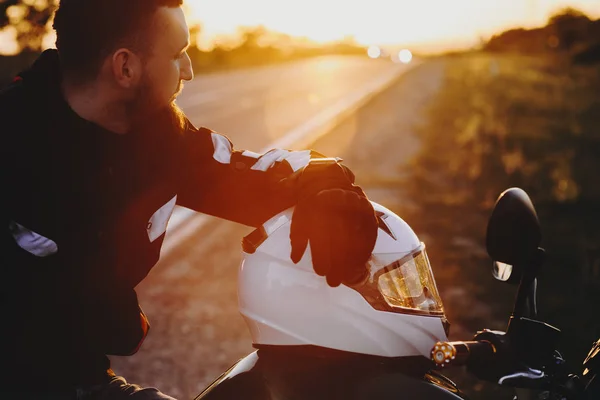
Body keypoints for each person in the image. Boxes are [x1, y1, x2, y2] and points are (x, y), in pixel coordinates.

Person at [0, 0, 378, 399]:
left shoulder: (161, 139)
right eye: (178, 54)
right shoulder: (12, 139)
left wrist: (327, 188)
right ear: (125, 67)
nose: (190, 70)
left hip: (80, 377)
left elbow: (257, 173)